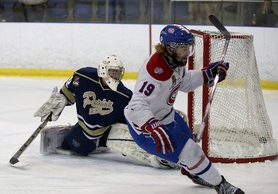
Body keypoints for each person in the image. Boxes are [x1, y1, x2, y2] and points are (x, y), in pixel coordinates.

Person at [124, 24, 246, 194]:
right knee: (191, 152)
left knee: (190, 145)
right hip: (145, 129)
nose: (187, 53)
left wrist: (207, 74)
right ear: (170, 47)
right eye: (183, 48)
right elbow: (136, 104)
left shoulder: (174, 61)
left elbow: (185, 82)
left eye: (188, 47)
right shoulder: (155, 70)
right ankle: (221, 185)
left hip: (167, 117)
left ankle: (194, 173)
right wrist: (151, 125)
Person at [34, 54, 178, 169]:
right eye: (113, 72)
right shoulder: (83, 77)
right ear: (103, 70)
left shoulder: (124, 95)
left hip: (107, 130)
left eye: (118, 72)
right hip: (85, 132)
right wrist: (60, 99)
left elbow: (132, 119)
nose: (116, 75)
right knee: (77, 147)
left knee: (126, 139)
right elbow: (68, 93)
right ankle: (85, 139)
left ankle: (161, 156)